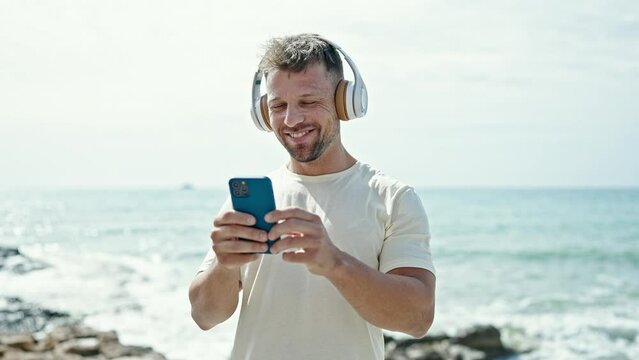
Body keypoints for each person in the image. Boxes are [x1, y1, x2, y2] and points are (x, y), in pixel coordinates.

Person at [189, 33, 436, 360]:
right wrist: (224, 265)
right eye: (278, 106)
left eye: (308, 102)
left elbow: (417, 319)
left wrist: (335, 263)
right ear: (263, 112)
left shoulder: (393, 198)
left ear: (344, 103)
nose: (291, 120)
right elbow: (204, 317)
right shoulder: (247, 201)